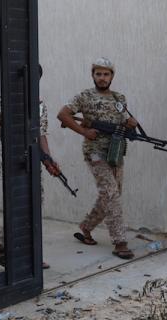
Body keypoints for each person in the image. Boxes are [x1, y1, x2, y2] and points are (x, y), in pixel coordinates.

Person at [0, 65, 59, 268]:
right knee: (20, 205)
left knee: (33, 205)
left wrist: (48, 159)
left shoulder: (39, 104)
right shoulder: (6, 99)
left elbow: (40, 134)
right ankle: (17, 250)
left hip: (32, 160)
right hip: (13, 160)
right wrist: (6, 136)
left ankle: (5, 243)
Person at [57, 57, 137, 259]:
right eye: (98, 74)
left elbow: (124, 120)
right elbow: (63, 115)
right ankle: (120, 241)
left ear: (112, 76)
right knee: (111, 194)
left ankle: (86, 226)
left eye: (106, 74)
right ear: (93, 75)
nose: (102, 78)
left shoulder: (120, 98)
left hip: (116, 151)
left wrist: (131, 124)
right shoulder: (84, 96)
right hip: (95, 152)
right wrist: (84, 132)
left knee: (112, 193)